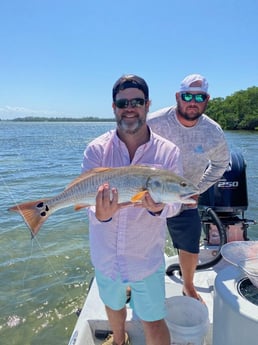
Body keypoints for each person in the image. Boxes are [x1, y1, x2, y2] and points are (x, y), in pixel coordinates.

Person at [81, 74, 183, 345]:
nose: (130, 107)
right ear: (114, 107)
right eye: (123, 102)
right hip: (105, 254)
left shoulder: (169, 152)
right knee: (113, 306)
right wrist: (99, 214)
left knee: (152, 318)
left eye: (137, 101)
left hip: (144, 256)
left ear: (148, 105)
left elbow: (174, 203)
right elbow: (87, 200)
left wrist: (160, 209)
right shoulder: (96, 149)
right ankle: (118, 340)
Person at [148, 73, 230, 302]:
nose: (192, 102)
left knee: (190, 244)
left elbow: (221, 163)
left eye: (199, 97)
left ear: (207, 100)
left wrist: (198, 188)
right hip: (150, 193)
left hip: (186, 195)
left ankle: (188, 285)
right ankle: (133, 282)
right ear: (177, 96)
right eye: (187, 95)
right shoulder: (153, 122)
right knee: (139, 240)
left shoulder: (213, 132)